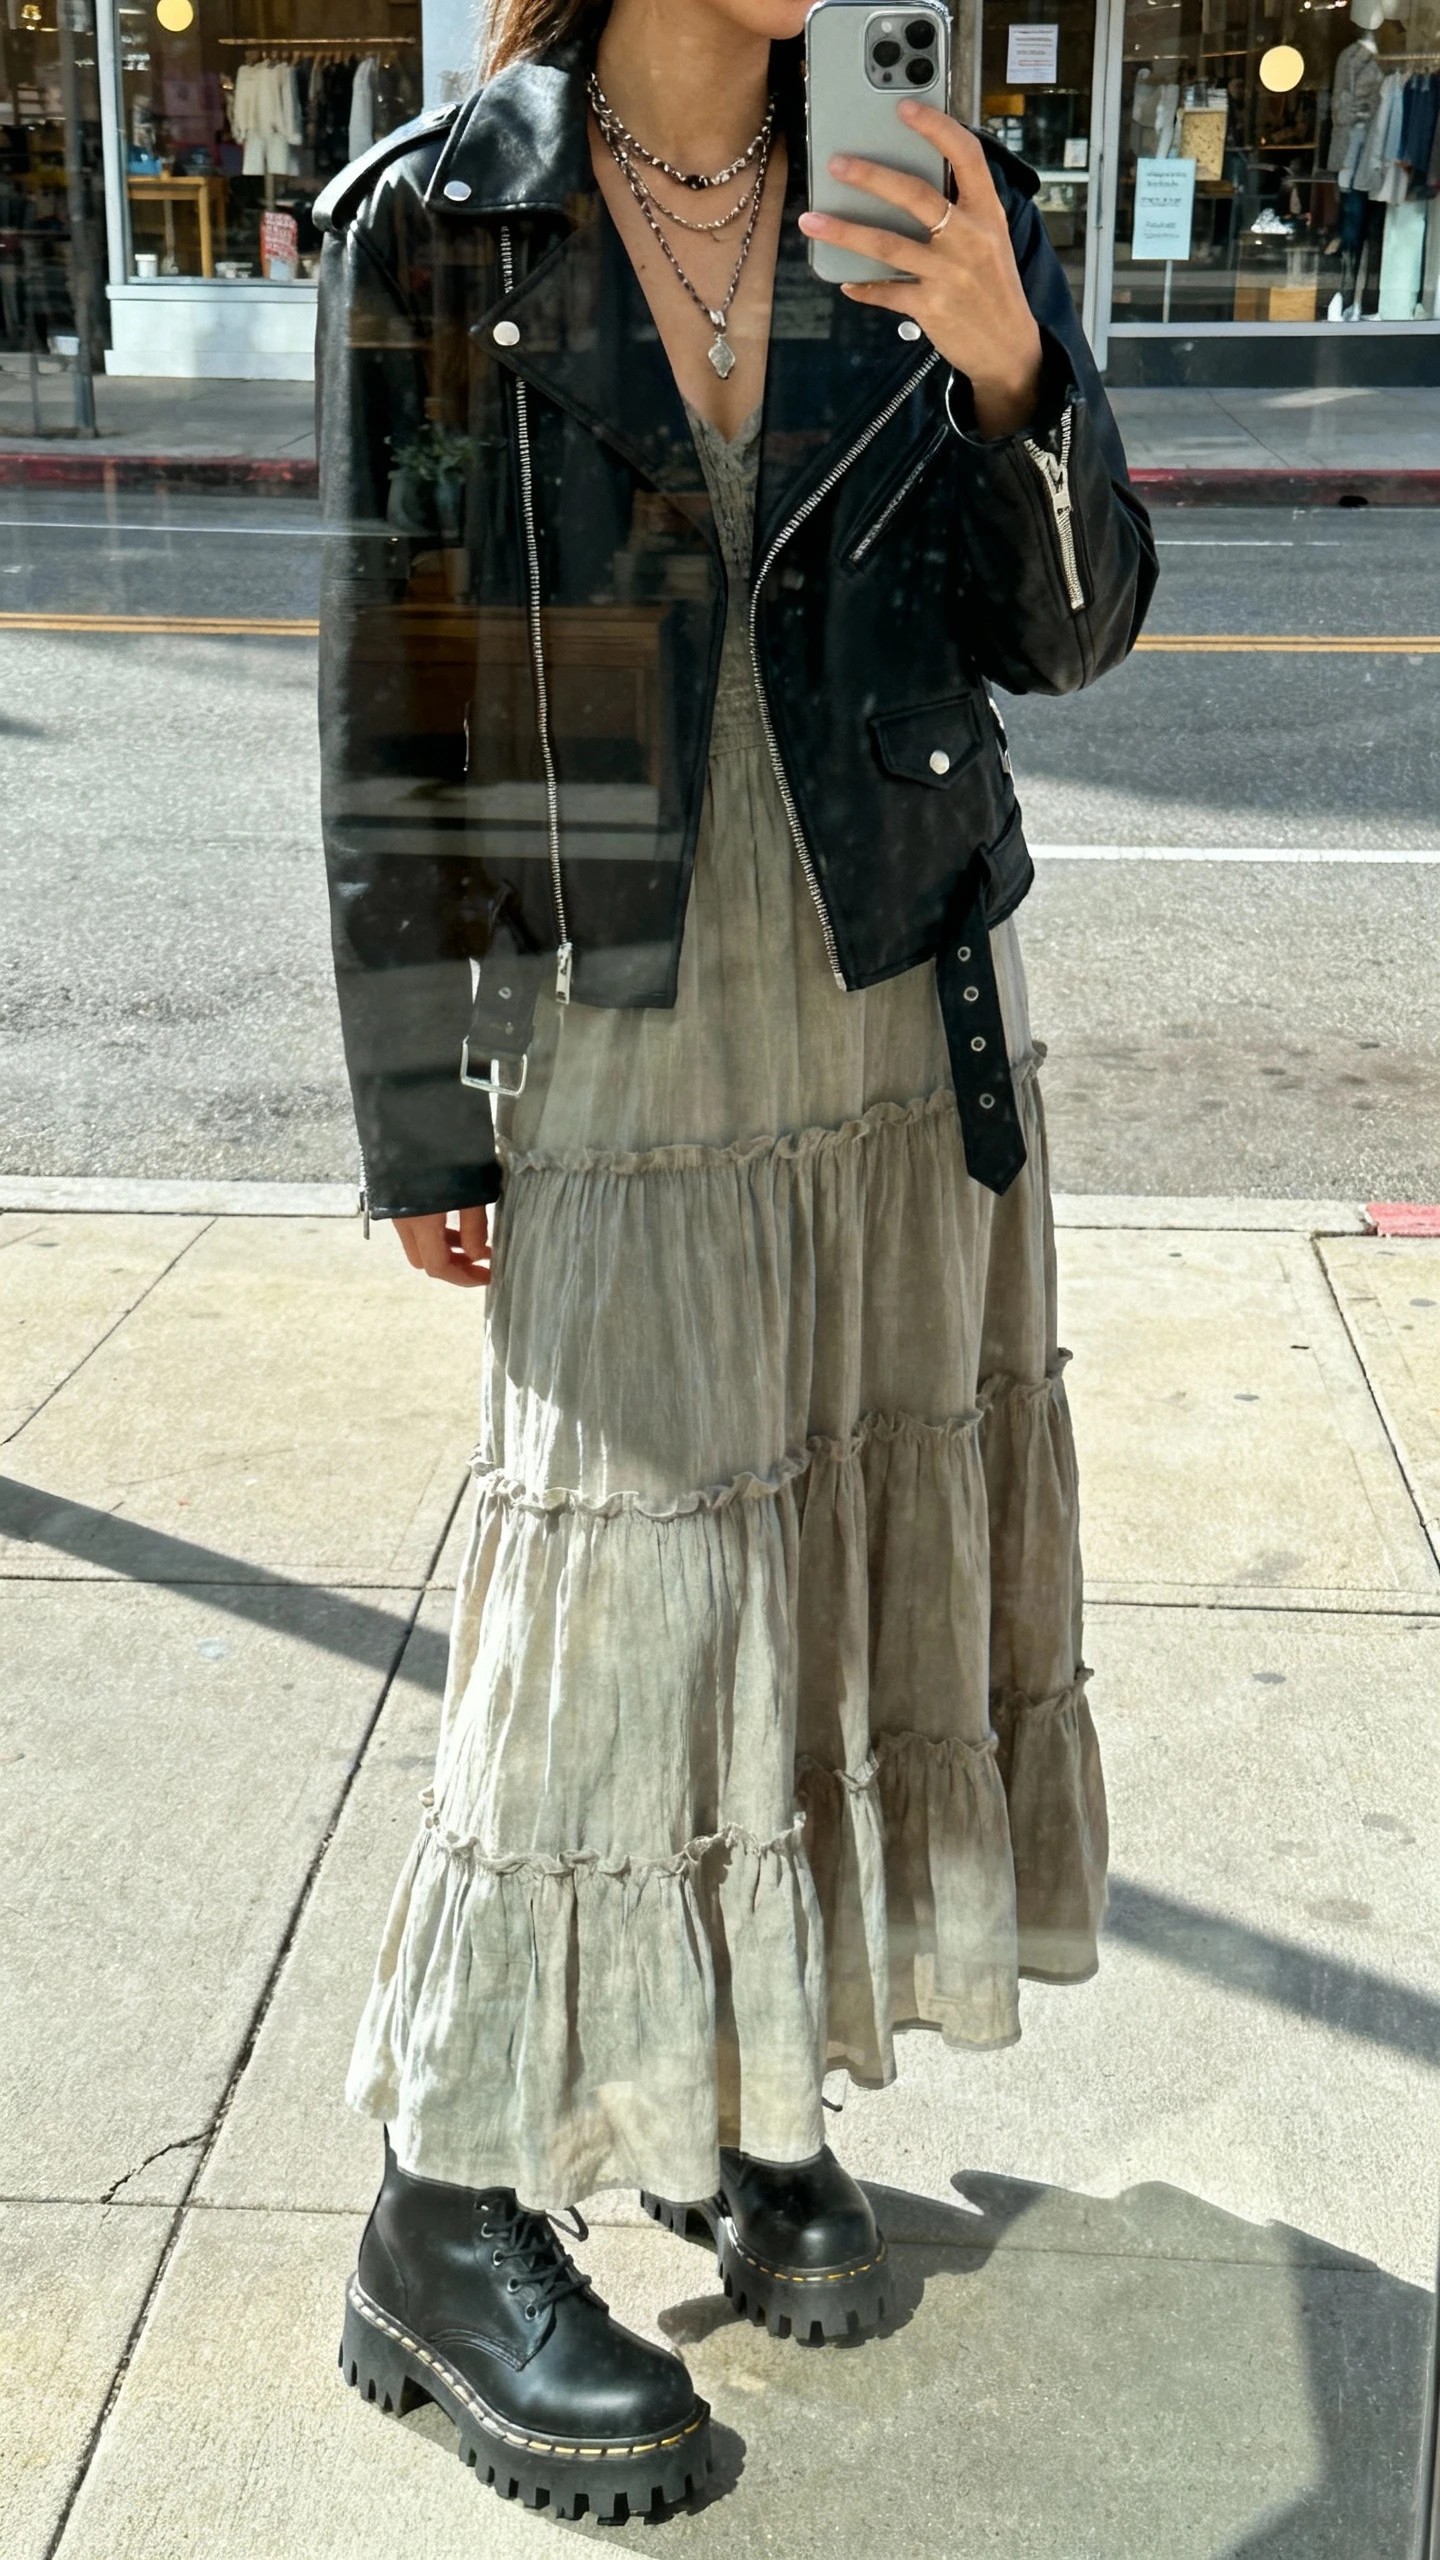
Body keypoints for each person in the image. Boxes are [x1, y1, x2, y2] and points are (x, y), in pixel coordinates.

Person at [314, 0, 1155, 2522]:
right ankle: (445, 2205)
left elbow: (1076, 629)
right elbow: (403, 692)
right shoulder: (448, 224)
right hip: (628, 1031)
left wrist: (1018, 376)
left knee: (823, 1564)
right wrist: (409, 1104)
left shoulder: (930, 189)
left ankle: (731, 2083)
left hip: (897, 990)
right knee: (630, 1607)